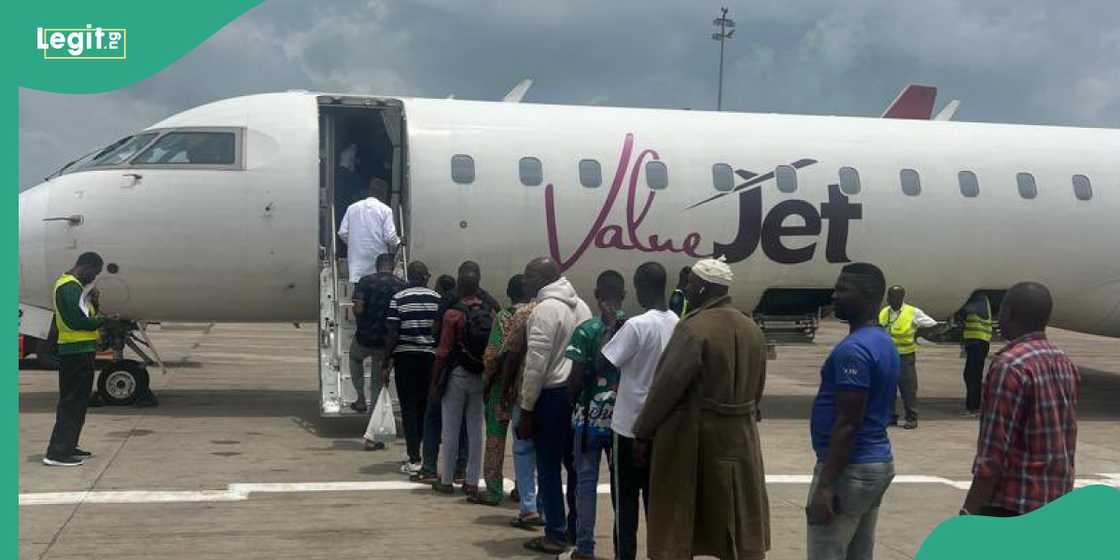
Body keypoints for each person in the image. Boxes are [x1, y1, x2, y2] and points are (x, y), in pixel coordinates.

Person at [633, 257, 770, 560]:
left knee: (680, 516)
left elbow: (666, 387)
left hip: (695, 440)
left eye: (692, 284)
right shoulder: (752, 328)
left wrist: (643, 433)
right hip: (741, 438)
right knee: (734, 514)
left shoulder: (693, 329)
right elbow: (757, 388)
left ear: (706, 288)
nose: (687, 289)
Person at [960, 282, 1079, 517]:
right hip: (1056, 499)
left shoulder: (1010, 366)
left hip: (1014, 504)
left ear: (1010, 314)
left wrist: (969, 511)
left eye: (1002, 310)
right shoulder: (1064, 362)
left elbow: (993, 454)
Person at [806, 263, 900, 560]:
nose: (834, 296)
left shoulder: (853, 351)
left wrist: (826, 486)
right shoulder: (883, 341)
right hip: (874, 463)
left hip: (850, 469)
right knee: (859, 553)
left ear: (868, 295)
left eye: (843, 289)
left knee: (827, 553)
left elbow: (848, 422)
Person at [601, 262, 680, 560]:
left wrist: (610, 326)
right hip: (661, 426)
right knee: (656, 503)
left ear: (641, 285)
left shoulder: (636, 325)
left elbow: (606, 361)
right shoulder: (677, 322)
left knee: (625, 506)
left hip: (629, 428)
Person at [516, 257, 592, 555]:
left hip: (550, 397)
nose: (524, 281)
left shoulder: (545, 310)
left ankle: (555, 534)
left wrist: (526, 408)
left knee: (547, 467)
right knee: (574, 467)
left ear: (543, 278)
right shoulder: (582, 306)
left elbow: (536, 365)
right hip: (575, 396)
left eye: (528, 275)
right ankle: (574, 529)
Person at [565, 270, 627, 560]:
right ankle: (622, 550)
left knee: (586, 486)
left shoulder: (586, 330)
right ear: (624, 295)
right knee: (620, 490)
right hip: (621, 421)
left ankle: (585, 548)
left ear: (596, 294)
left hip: (588, 421)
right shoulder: (631, 328)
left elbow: (574, 381)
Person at [430, 261, 493, 497]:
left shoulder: (453, 314)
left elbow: (443, 351)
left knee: (451, 429)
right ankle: (471, 481)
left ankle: (446, 480)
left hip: (457, 375)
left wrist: (436, 382)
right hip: (480, 375)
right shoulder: (490, 311)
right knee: (476, 430)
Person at [44, 252, 110, 467]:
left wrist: (95, 303)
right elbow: (75, 321)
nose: (94, 278)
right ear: (86, 266)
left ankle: (69, 445)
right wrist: (103, 321)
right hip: (74, 353)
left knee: (79, 402)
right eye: (94, 273)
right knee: (71, 402)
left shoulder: (78, 289)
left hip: (82, 351)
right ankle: (57, 453)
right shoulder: (68, 286)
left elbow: (85, 316)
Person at [475, 275, 533, 506]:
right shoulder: (536, 313)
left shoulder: (504, 316)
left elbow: (492, 355)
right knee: (526, 443)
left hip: (501, 387)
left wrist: (487, 383)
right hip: (526, 386)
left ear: (509, 293)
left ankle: (494, 491)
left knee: (495, 441)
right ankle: (523, 488)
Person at [381, 261, 442, 474]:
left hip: (405, 358)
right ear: (426, 277)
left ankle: (413, 456)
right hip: (430, 359)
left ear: (409, 277)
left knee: (408, 407)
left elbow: (392, 333)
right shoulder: (437, 299)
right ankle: (427, 456)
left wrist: (386, 362)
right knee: (426, 408)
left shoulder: (398, 298)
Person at [878, 285, 940, 430]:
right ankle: (890, 417)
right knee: (888, 389)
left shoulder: (912, 312)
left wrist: (918, 334)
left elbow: (934, 326)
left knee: (908, 389)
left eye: (894, 297)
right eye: (889, 296)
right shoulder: (884, 312)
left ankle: (911, 418)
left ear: (901, 298)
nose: (891, 300)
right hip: (887, 356)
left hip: (905, 357)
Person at [352, 253, 404, 420]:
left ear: (376, 266)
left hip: (365, 338)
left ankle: (360, 396)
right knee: (377, 384)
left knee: (354, 358)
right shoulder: (401, 285)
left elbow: (358, 309)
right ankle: (373, 423)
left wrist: (358, 314)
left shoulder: (365, 281)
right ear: (393, 267)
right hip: (385, 343)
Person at [338, 177, 400, 286]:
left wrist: (354, 242)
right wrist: (399, 242)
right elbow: (390, 237)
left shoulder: (352, 208)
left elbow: (342, 232)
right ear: (383, 194)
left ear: (370, 191)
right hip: (378, 265)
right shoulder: (386, 210)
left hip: (357, 264)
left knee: (359, 296)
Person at [957, 293, 993, 416]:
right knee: (971, 375)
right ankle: (973, 406)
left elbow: (967, 310)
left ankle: (973, 408)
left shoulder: (979, 299)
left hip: (978, 342)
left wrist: (957, 306)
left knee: (973, 376)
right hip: (976, 342)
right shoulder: (981, 299)